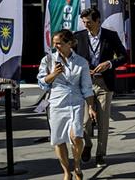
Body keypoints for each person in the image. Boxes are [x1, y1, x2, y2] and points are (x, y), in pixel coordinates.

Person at [37, 29, 96, 180]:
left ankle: (77, 164)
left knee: (76, 136)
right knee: (58, 139)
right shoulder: (48, 60)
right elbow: (42, 83)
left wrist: (90, 107)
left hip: (76, 103)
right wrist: (54, 74)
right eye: (54, 43)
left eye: (59, 43)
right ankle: (66, 171)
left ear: (69, 44)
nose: (55, 46)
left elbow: (87, 88)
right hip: (57, 103)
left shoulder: (81, 62)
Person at [74, 8, 127, 168]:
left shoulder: (110, 36)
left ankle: (100, 154)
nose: (86, 25)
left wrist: (109, 64)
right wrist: (82, 69)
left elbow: (124, 56)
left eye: (89, 22)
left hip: (104, 83)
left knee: (103, 121)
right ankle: (88, 144)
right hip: (85, 83)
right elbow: (73, 58)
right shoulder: (78, 37)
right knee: (84, 121)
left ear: (98, 21)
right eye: (84, 22)